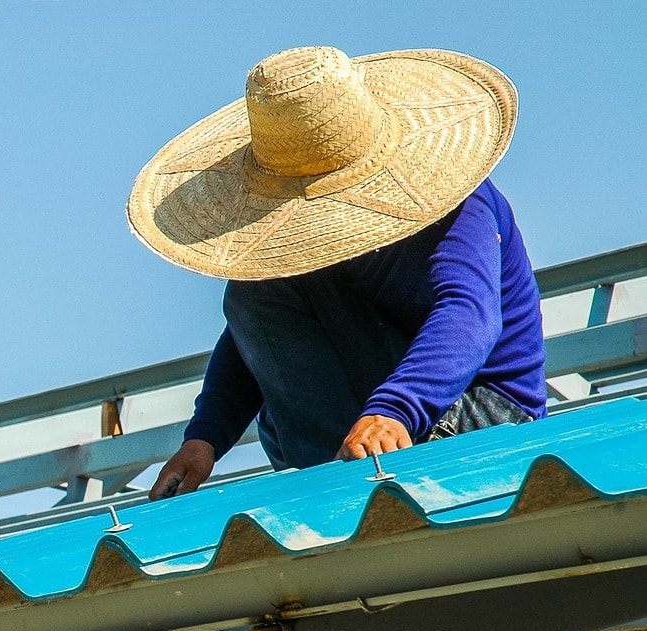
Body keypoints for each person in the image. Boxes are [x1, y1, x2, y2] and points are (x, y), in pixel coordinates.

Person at [125, 46, 548, 500]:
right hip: (356, 428)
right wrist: (204, 438)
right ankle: (335, 490)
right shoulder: (292, 239)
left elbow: (467, 315)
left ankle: (341, 488)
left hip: (478, 410)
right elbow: (256, 336)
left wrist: (394, 411)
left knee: (262, 299)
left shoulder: (463, 206)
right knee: (253, 294)